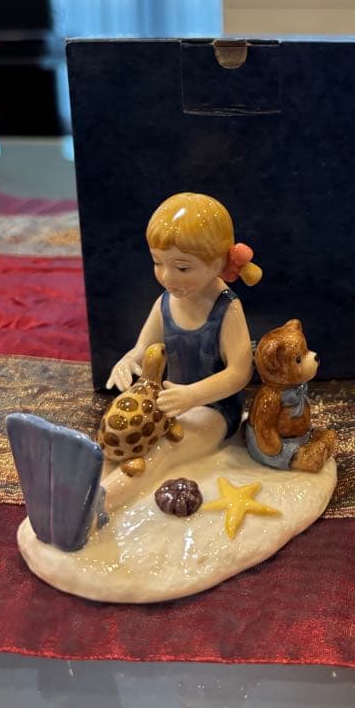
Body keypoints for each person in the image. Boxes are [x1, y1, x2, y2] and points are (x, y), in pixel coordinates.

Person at [101, 192, 261, 512]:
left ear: (219, 262)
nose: (167, 277)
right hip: (168, 403)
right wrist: (128, 360)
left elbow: (239, 372)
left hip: (214, 410)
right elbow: (142, 347)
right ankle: (89, 489)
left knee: (160, 452)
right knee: (116, 444)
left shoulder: (227, 309)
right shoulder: (165, 302)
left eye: (182, 268)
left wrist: (191, 395)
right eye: (157, 263)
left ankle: (97, 507)